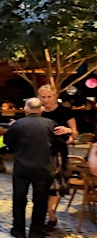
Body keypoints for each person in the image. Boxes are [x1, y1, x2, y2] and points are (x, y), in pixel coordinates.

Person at [4, 97, 65, 238]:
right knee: (40, 201)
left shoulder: (17, 124)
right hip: (44, 168)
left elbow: (8, 142)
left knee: (19, 199)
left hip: (21, 167)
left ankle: (18, 230)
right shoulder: (50, 124)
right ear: (41, 109)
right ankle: (36, 231)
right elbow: (59, 144)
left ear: (26, 109)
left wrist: (19, 150)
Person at [37, 84, 78, 231]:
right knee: (42, 188)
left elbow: (75, 134)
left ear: (55, 96)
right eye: (43, 97)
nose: (46, 100)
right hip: (41, 155)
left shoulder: (64, 112)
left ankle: (49, 214)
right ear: (39, 98)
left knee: (56, 187)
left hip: (59, 154)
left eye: (49, 96)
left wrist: (68, 131)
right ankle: (50, 215)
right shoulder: (38, 112)